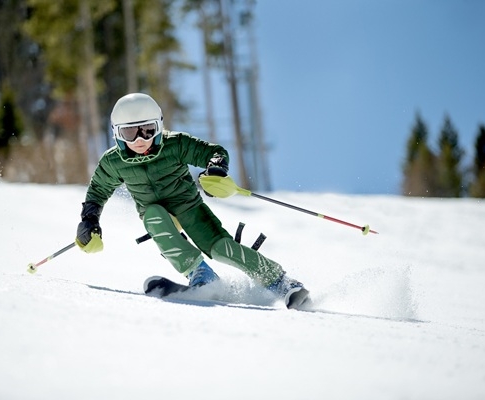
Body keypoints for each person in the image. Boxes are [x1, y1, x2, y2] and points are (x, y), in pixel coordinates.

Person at [75, 92, 310, 309]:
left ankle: (281, 283)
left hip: (188, 207)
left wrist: (215, 167)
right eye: (130, 132)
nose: (139, 139)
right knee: (154, 215)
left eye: (147, 130)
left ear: (158, 127)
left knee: (222, 250)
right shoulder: (113, 162)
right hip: (155, 213)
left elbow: (212, 152)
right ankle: (201, 275)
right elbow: (97, 191)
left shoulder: (175, 144)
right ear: (117, 133)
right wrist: (89, 220)